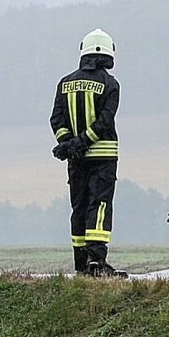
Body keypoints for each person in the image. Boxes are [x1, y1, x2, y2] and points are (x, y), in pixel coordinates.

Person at [50, 29, 125, 277]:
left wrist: (68, 144)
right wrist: (82, 142)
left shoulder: (65, 82)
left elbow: (57, 119)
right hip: (102, 156)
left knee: (79, 206)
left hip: (75, 159)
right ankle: (97, 261)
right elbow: (104, 122)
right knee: (100, 205)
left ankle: (81, 263)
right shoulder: (111, 84)